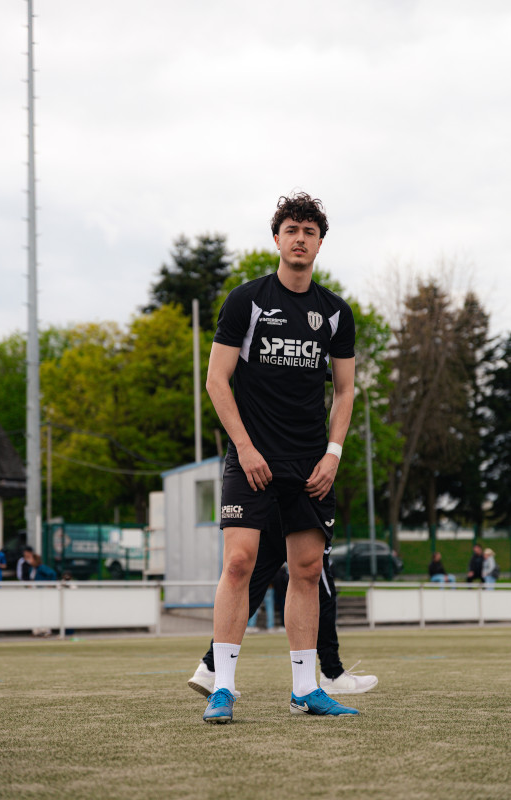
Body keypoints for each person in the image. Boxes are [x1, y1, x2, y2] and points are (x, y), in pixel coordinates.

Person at [202, 192, 359, 723]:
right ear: (276, 238)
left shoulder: (334, 313)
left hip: (310, 462)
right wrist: (245, 447)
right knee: (239, 561)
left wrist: (333, 454)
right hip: (253, 457)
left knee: (307, 569)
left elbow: (345, 391)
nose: (300, 238)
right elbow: (216, 379)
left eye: (309, 232)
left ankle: (305, 689)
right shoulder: (246, 300)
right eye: (291, 229)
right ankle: (223, 688)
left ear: (319, 244)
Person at [189, 527, 378, 698]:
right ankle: (331, 671)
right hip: (297, 510)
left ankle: (209, 667)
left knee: (251, 589)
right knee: (318, 583)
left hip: (270, 511)